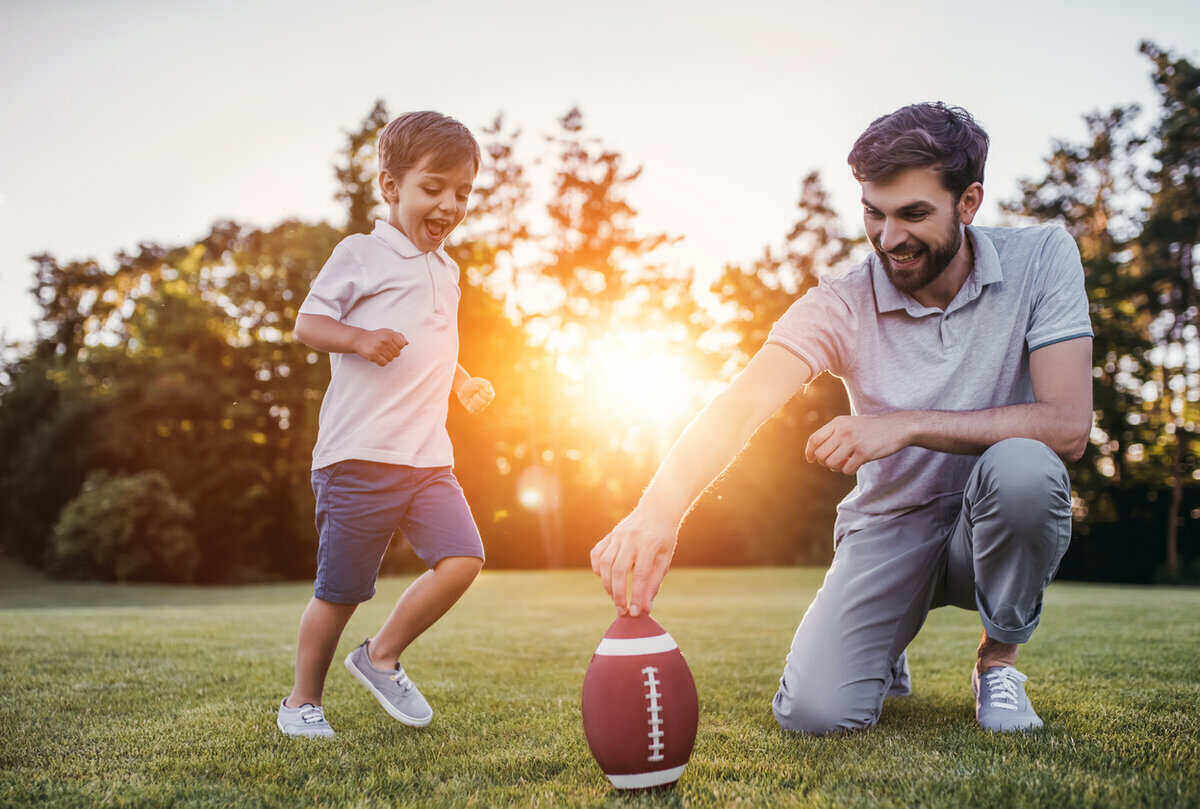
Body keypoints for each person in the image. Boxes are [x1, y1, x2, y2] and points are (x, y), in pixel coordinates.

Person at [590, 102, 1092, 734]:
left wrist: (905, 423)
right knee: (814, 714)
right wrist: (656, 512)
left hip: (991, 525)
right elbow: (741, 403)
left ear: (968, 203)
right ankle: (887, 643)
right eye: (873, 214)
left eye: (913, 214)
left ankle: (998, 662)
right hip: (889, 527)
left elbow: (1068, 425)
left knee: (1025, 468)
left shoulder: (1042, 258)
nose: (889, 239)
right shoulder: (840, 303)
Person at [276, 111, 495, 738]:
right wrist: (359, 336)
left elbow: (435, 345)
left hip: (427, 456)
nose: (450, 205)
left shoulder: (447, 270)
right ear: (391, 187)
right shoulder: (362, 253)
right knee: (341, 591)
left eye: (463, 192)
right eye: (434, 188)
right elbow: (308, 324)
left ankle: (380, 656)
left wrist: (465, 382)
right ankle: (300, 704)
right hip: (359, 454)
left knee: (463, 558)